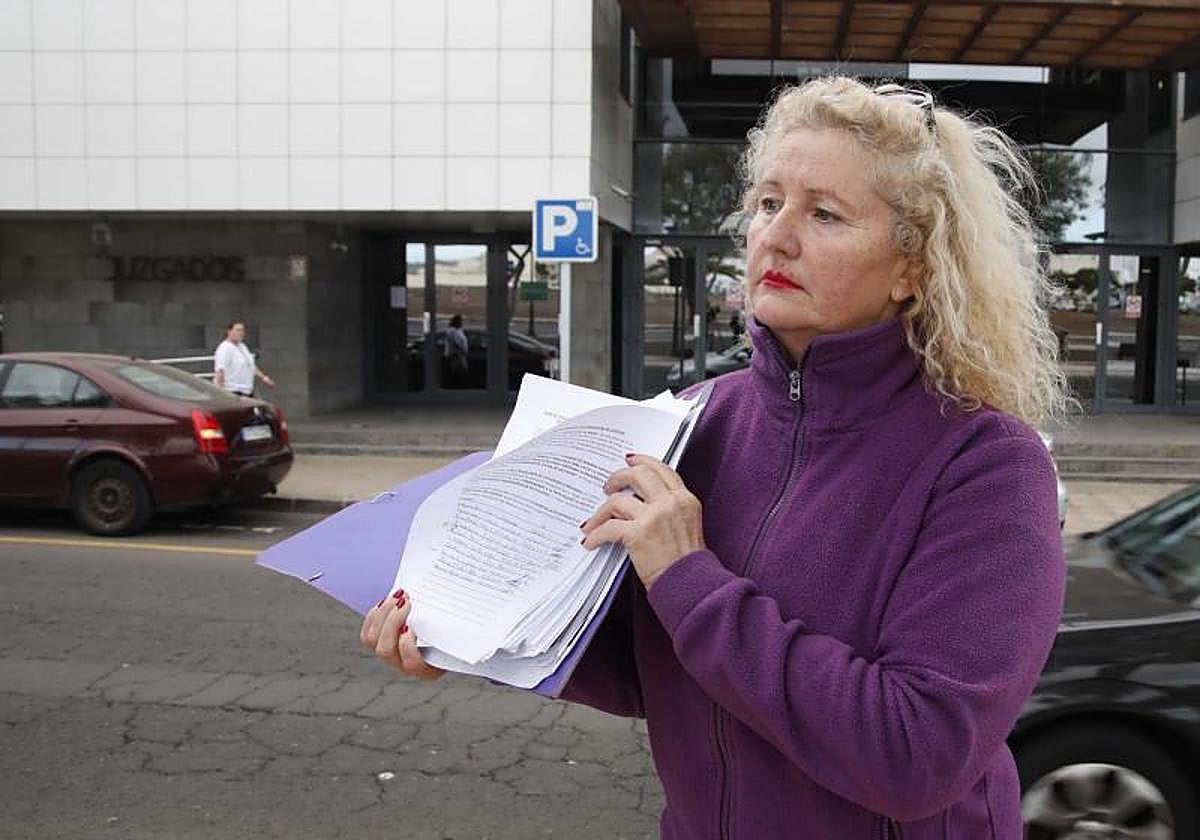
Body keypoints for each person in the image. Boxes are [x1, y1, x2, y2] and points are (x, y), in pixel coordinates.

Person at [360, 76, 1068, 838]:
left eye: (824, 212)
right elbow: (655, 668)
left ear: (911, 268)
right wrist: (468, 639)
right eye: (769, 203)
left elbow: (918, 754)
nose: (778, 235)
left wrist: (687, 576)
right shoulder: (697, 420)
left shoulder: (986, 463)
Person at [213, 320, 274, 397]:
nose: (241, 333)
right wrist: (220, 392)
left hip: (246, 390)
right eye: (238, 330)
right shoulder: (225, 348)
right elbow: (220, 370)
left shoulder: (242, 346)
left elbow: (251, 366)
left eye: (242, 331)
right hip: (232, 390)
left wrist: (264, 378)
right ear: (229, 331)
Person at [443, 314, 469, 387]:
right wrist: (462, 351)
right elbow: (456, 343)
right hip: (456, 356)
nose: (462, 323)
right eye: (460, 321)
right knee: (458, 374)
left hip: (460, 356)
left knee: (460, 374)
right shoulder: (452, 331)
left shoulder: (458, 331)